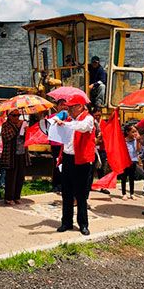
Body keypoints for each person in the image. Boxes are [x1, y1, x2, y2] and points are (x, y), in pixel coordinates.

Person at [52, 101, 96, 236]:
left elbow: (81, 127)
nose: (70, 109)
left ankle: (83, 224)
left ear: (81, 106)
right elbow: (55, 118)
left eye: (73, 106)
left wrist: (64, 123)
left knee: (81, 194)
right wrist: (58, 119)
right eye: (69, 107)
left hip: (81, 160)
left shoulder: (88, 118)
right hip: (67, 158)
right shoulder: (68, 117)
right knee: (66, 192)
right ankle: (66, 222)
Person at [1, 110, 29, 205]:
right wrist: (17, 128)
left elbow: (26, 138)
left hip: (22, 153)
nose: (17, 117)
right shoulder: (6, 125)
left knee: (20, 177)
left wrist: (26, 131)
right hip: (11, 155)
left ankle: (17, 196)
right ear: (9, 116)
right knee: (11, 177)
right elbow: (7, 137)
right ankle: (9, 198)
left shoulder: (22, 124)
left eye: (18, 115)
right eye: (14, 115)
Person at [119, 124, 141, 200]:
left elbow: (138, 150)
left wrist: (138, 141)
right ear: (127, 132)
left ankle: (132, 193)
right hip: (125, 161)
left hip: (133, 160)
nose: (135, 133)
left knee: (132, 178)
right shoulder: (123, 141)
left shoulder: (135, 140)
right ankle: (124, 193)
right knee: (124, 178)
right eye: (133, 132)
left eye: (135, 131)